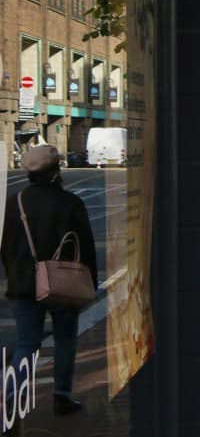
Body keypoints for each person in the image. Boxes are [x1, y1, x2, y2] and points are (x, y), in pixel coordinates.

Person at [0, 145, 97, 416]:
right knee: (65, 340)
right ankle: (61, 396)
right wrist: (90, 283)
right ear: (56, 171)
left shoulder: (13, 203)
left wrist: (14, 273)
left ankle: (9, 394)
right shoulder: (70, 203)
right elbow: (86, 248)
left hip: (23, 285)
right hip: (63, 284)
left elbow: (4, 246)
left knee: (27, 342)